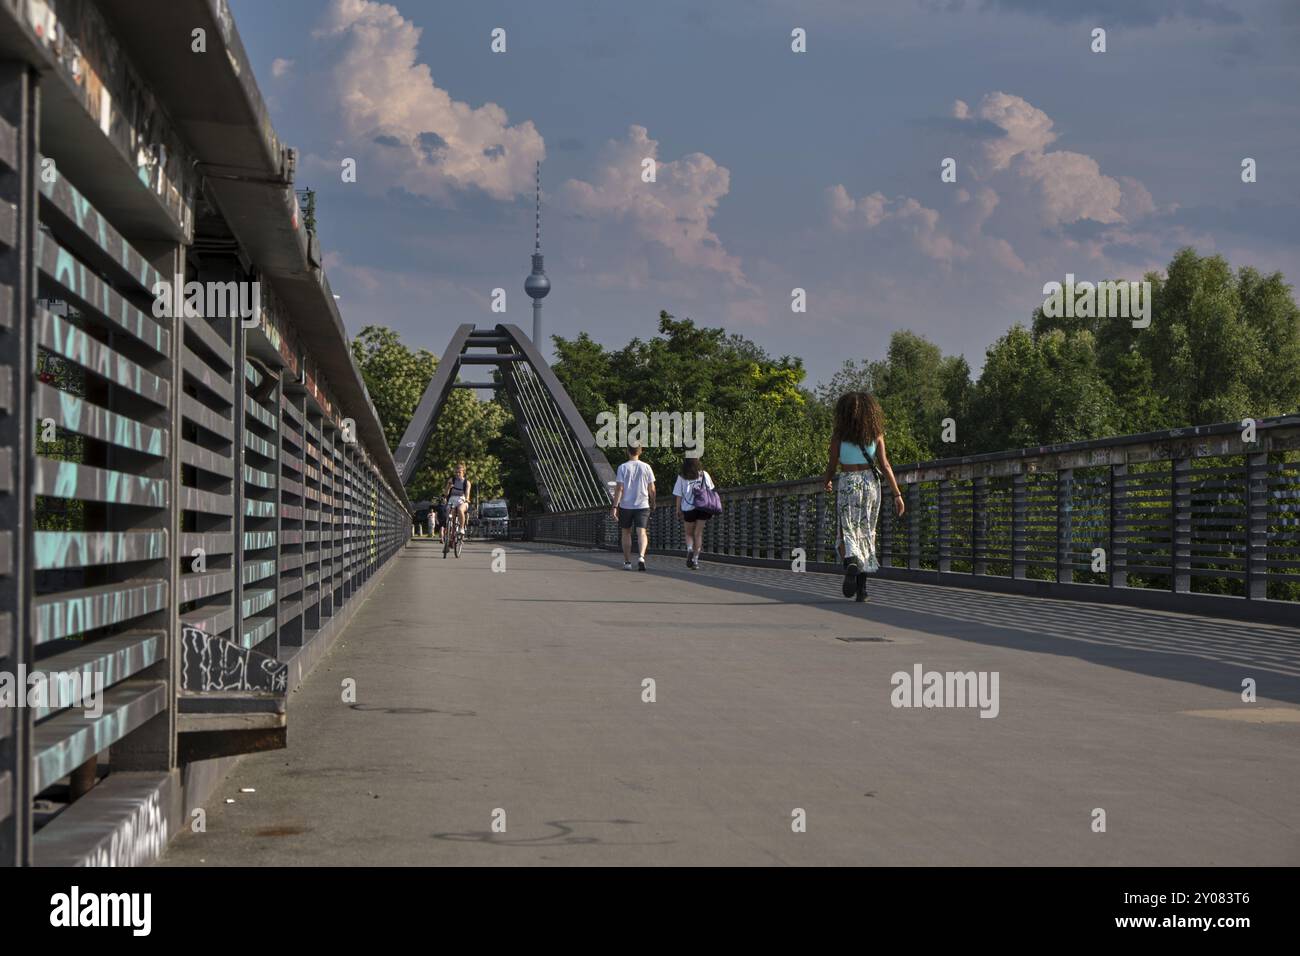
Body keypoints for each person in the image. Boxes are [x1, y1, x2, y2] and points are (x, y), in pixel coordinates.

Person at [821, 391, 905, 602]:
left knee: (847, 529)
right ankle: (862, 590)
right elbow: (885, 465)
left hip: (849, 482)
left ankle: (850, 561)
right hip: (870, 484)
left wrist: (827, 481)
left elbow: (831, 466)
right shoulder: (876, 434)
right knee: (867, 532)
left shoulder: (839, 437)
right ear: (871, 412)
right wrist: (897, 494)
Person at [612, 444, 655, 571]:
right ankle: (641, 557)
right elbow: (652, 488)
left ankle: (627, 562)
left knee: (626, 532)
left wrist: (615, 506)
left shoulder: (622, 467)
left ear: (627, 451)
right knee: (641, 532)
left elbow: (619, 488)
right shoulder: (646, 467)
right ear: (640, 451)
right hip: (642, 504)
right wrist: (653, 502)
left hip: (626, 505)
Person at [672, 457, 715, 570]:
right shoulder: (704, 474)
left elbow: (678, 494)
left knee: (689, 533)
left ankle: (690, 549)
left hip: (688, 508)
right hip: (703, 508)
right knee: (698, 534)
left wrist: (678, 509)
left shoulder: (682, 476)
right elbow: (710, 489)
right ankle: (695, 560)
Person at [443, 464, 472, 541]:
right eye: (456, 472)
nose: (457, 474)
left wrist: (466, 499)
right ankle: (451, 529)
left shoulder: (467, 482)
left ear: (463, 472)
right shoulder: (451, 480)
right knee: (449, 510)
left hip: (462, 500)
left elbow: (467, 494)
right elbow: (446, 493)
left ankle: (461, 528)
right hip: (452, 499)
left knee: (460, 509)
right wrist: (448, 487)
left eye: (459, 472)